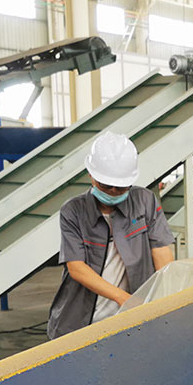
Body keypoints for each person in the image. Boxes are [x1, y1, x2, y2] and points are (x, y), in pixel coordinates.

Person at [47, 132, 175, 338]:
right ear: (91, 175)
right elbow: (77, 268)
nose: (114, 191)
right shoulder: (73, 211)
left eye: (121, 187)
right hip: (83, 321)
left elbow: (162, 253)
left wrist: (167, 294)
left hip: (133, 317)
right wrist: (124, 299)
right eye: (106, 185)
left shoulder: (145, 201)